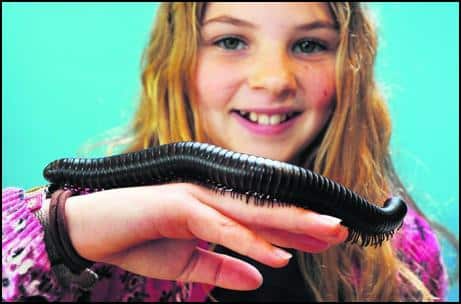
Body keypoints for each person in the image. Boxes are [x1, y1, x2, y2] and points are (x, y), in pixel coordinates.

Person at [2, 2, 454, 302]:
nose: (273, 78)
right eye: (231, 41)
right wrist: (62, 234)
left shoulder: (405, 258)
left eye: (310, 44)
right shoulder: (95, 234)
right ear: (177, 61)